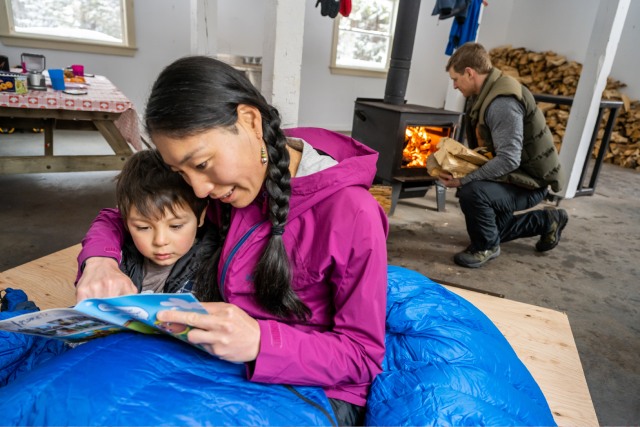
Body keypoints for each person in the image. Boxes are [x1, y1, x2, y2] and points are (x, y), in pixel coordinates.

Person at [74, 56, 389, 425]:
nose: (198, 188)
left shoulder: (353, 213)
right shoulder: (224, 181)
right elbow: (118, 215)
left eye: (203, 165)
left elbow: (361, 357)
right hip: (221, 363)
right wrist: (100, 261)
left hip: (312, 388)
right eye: (181, 172)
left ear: (250, 121)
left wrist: (259, 341)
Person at [440, 42, 568, 268]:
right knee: (491, 228)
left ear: (470, 73)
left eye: (455, 79)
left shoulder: (501, 103)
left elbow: (509, 159)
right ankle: (547, 220)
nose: (454, 86)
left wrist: (464, 179)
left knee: (472, 192)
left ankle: (486, 247)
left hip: (529, 182)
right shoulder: (484, 94)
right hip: (513, 177)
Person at [108, 148, 218, 295]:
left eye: (176, 226)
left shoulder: (214, 267)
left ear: (201, 216)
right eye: (143, 227)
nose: (160, 241)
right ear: (125, 220)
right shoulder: (116, 258)